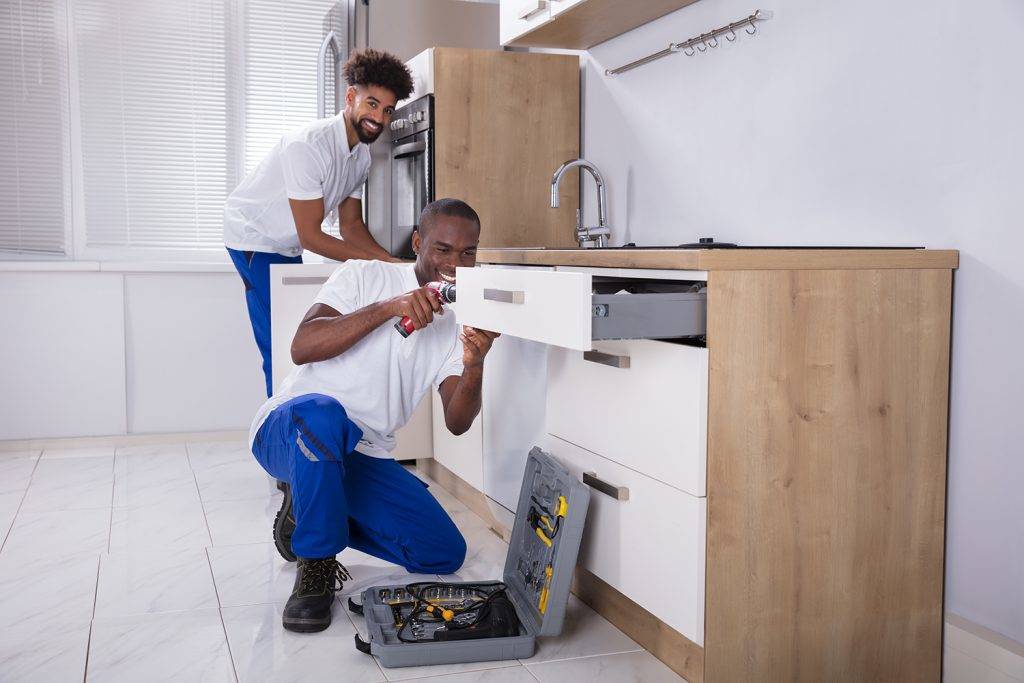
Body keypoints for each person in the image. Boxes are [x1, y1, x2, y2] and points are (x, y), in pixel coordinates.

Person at [248, 198, 499, 633]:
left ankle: (308, 508)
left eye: (468, 253)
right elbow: (302, 345)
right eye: (443, 250)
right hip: (291, 427)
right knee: (326, 414)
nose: (456, 265)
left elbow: (458, 421)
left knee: (442, 552)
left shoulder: (459, 319)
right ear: (418, 242)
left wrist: (475, 361)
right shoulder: (366, 275)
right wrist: (390, 308)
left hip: (363, 451)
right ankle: (316, 567)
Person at [224, 48, 413, 398]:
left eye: (387, 110)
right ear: (350, 97)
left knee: (296, 338)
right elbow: (311, 236)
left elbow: (351, 227)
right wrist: (377, 263)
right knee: (282, 345)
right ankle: (280, 432)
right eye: (372, 104)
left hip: (285, 241)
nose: (379, 118)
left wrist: (390, 263)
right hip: (254, 237)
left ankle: (297, 422)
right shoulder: (309, 147)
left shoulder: (361, 157)